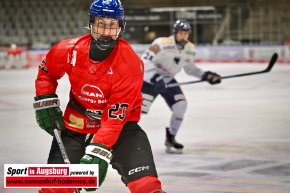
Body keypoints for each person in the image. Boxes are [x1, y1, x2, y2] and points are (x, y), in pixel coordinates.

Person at [33, 0, 165, 192]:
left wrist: (99, 151)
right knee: (56, 188)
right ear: (91, 23)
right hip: (76, 123)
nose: (106, 30)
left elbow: (113, 119)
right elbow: (47, 71)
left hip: (120, 127)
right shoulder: (69, 50)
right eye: (101, 23)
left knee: (147, 186)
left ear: (121, 27)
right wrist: (45, 101)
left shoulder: (130, 65)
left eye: (112, 25)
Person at [141, 19, 222, 154]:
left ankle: (171, 137)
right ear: (175, 33)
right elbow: (144, 62)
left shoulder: (190, 49)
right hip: (150, 81)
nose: (183, 36)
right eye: (181, 33)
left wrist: (206, 76)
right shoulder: (161, 43)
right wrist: (155, 77)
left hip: (169, 81)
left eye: (186, 33)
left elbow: (190, 69)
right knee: (138, 111)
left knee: (181, 105)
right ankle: (121, 138)